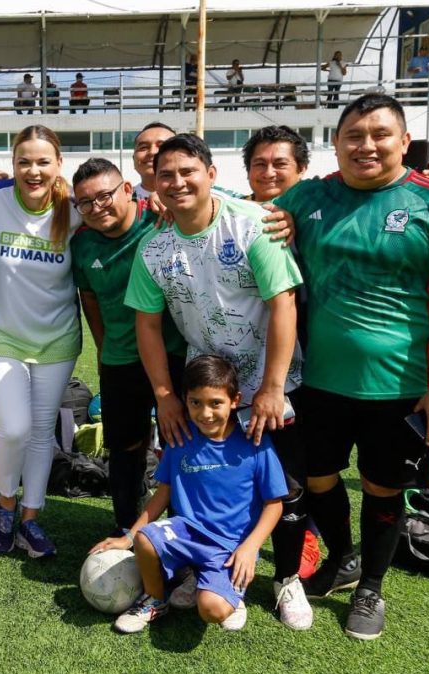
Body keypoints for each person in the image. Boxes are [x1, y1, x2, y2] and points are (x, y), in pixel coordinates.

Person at [274, 94, 429, 640]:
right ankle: (345, 556)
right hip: (317, 380)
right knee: (318, 478)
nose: (366, 145)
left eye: (379, 134)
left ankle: (371, 586)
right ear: (337, 141)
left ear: (403, 141)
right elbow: (244, 212)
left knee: (382, 488)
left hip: (399, 385)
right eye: (353, 135)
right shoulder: (309, 197)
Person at [124, 133, 313, 630]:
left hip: (271, 388)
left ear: (211, 174)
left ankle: (286, 579)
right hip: (208, 393)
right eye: (166, 174)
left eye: (188, 171)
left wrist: (272, 388)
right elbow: (146, 323)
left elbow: (282, 304)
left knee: (286, 491)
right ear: (154, 183)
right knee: (201, 483)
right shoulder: (155, 247)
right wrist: (165, 396)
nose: (177, 181)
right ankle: (202, 569)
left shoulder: (253, 225)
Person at [90, 355, 287, 634]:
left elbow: (274, 504)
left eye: (215, 403)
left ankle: (228, 593)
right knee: (146, 539)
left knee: (211, 610)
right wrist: (129, 537)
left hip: (230, 545)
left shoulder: (254, 440)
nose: (205, 413)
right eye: (196, 403)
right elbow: (164, 491)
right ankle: (156, 599)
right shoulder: (182, 437)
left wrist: (250, 547)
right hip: (187, 531)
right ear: (185, 400)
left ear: (235, 400)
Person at [0, 126, 81, 558]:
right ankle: (5, 504)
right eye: (23, 161)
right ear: (11, 165)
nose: (33, 170)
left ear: (58, 164)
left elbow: (127, 209)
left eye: (42, 161)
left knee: (40, 434)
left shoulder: (75, 208)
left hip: (57, 339)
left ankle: (30, 518)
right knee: (14, 426)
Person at [70, 158, 188, 535]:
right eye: (85, 203)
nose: (96, 207)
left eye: (104, 196)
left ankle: (185, 528)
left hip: (175, 355)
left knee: (183, 444)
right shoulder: (83, 245)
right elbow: (89, 300)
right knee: (125, 449)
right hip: (121, 360)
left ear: (127, 190)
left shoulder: (162, 220)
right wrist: (105, 351)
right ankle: (126, 528)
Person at [241, 125, 323, 579]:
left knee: (300, 459)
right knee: (248, 449)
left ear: (302, 169)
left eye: (280, 163)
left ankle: (303, 535)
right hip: (246, 354)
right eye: (259, 163)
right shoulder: (234, 211)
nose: (268, 171)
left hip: (310, 353)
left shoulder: (315, 212)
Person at [131, 123, 175, 201]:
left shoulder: (194, 198)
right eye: (143, 147)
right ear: (133, 159)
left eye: (162, 146)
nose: (152, 152)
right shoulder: (123, 200)